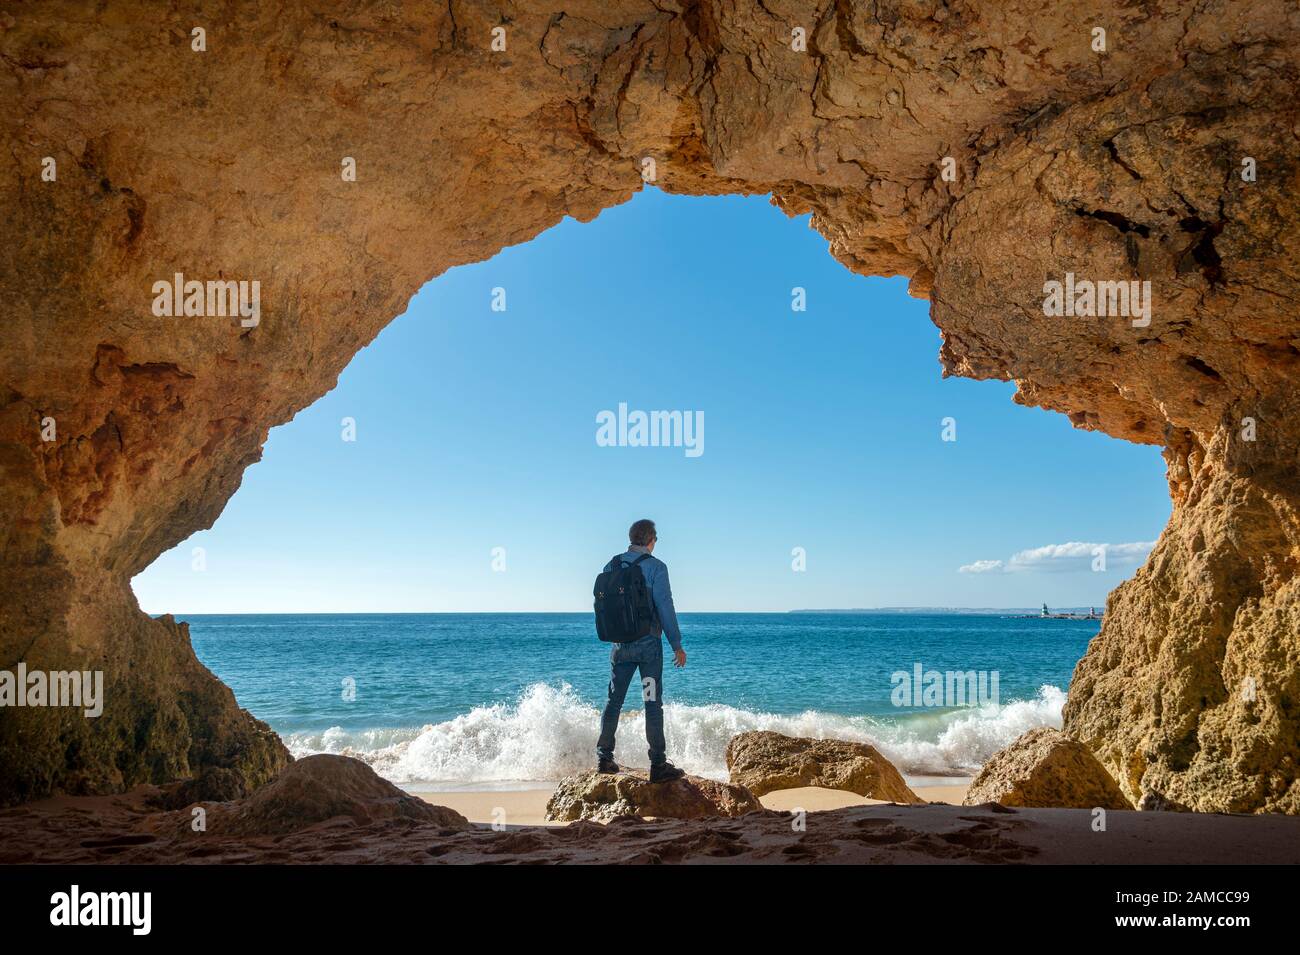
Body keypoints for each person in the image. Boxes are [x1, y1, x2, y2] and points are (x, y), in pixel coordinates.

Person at [595, 519, 687, 782]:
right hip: (648, 648)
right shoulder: (656, 567)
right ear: (651, 540)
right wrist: (677, 645)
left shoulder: (610, 565)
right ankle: (658, 765)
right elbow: (665, 607)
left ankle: (604, 757)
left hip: (620, 647)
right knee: (652, 702)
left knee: (614, 701)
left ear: (631, 538)